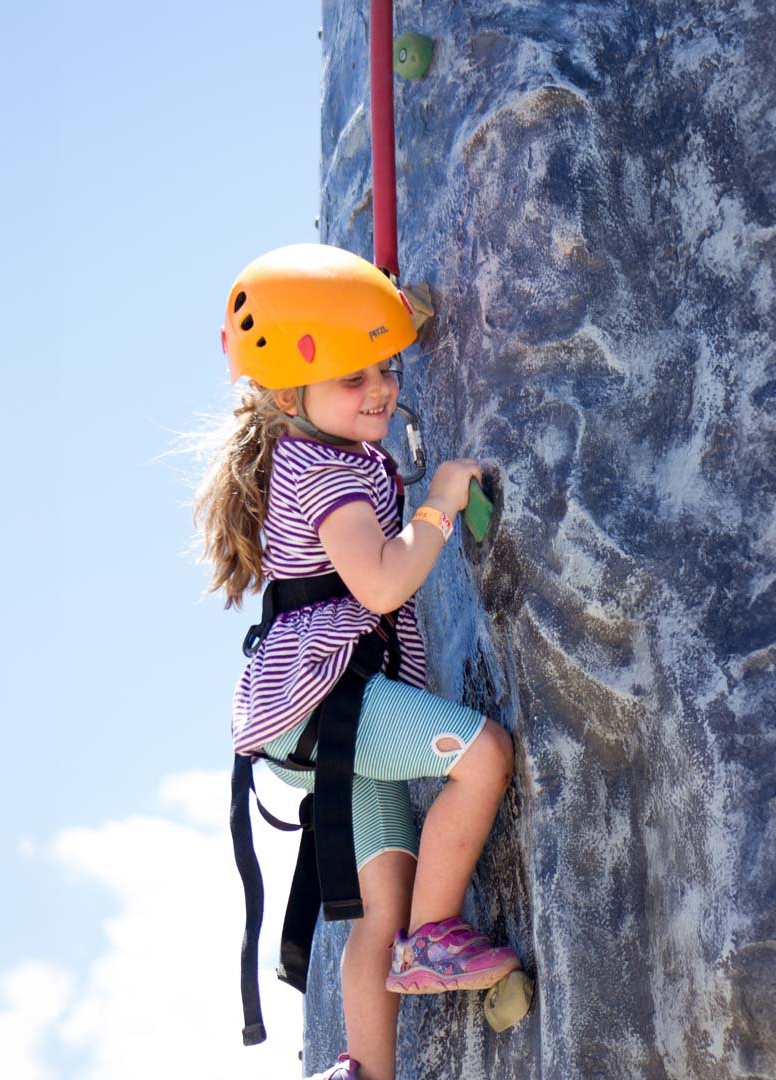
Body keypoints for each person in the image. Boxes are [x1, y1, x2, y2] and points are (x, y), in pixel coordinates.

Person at [195, 243, 520, 1080]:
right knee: (482, 756)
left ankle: (361, 1072)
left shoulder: (318, 445)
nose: (378, 389)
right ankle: (434, 940)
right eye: (352, 378)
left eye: (385, 366)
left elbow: (356, 357)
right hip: (326, 699)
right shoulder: (324, 475)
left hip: (320, 712)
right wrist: (440, 507)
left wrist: (389, 305)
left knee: (379, 905)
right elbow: (379, 586)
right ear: (286, 395)